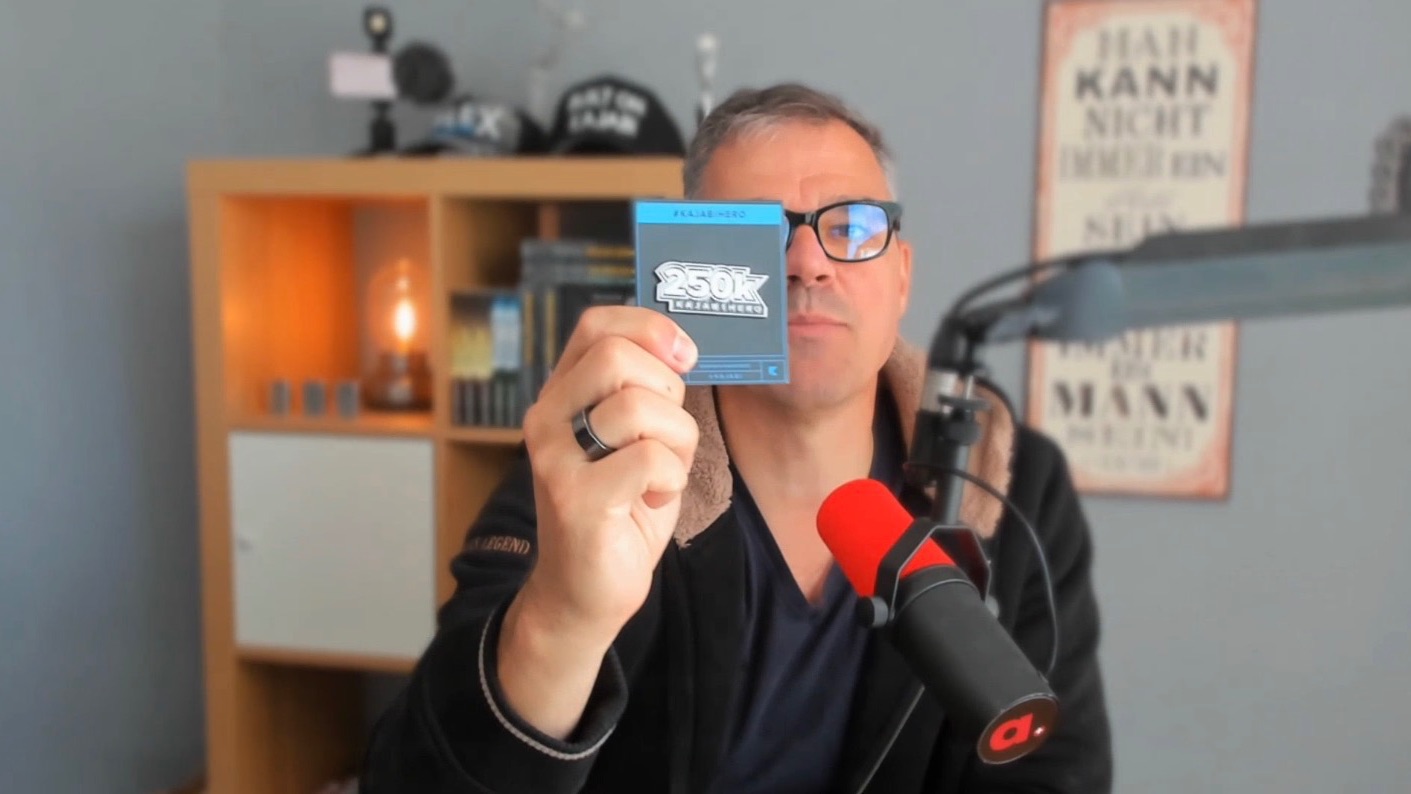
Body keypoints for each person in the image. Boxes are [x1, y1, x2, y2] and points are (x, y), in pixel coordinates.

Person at [361, 82, 1113, 793]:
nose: (807, 264)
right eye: (758, 233)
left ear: (901, 277)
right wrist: (562, 619)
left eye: (852, 228)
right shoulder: (593, 466)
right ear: (686, 269)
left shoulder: (1010, 479)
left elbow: (1053, 773)